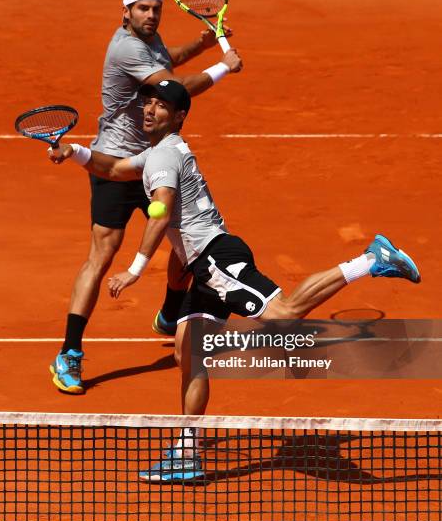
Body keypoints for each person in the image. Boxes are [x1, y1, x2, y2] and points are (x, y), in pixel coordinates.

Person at [49, 80, 421, 481]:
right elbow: (115, 168)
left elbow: (159, 212)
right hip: (205, 268)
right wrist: (75, 152)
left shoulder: (163, 160)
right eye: (149, 104)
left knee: (286, 314)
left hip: (216, 260)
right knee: (187, 356)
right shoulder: (158, 153)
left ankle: (371, 260)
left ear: (178, 117)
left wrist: (136, 269)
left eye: (160, 106)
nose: (150, 110)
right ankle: (187, 452)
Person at [50, 0, 243, 395]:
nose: (151, 15)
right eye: (142, 9)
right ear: (126, 13)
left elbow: (167, 59)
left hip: (155, 161)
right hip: (116, 165)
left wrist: (200, 44)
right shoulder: (127, 48)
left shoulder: (149, 40)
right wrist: (223, 66)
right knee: (102, 255)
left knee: (185, 243)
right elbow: (174, 89)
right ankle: (69, 352)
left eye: (155, 9)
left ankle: (170, 313)